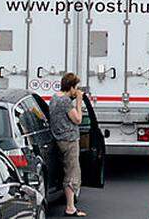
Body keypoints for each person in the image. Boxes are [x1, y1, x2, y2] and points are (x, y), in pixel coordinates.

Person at [50, 73, 87, 216]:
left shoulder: (55, 98)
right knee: (72, 172)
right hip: (69, 140)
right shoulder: (66, 101)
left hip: (58, 138)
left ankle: (69, 204)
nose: (77, 90)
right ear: (71, 87)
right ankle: (70, 207)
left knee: (65, 170)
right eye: (76, 87)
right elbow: (77, 119)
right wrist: (79, 100)